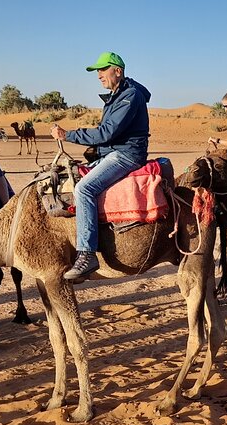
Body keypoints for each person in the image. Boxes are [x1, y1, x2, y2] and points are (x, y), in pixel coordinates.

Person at [51, 51, 151, 280]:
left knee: (84, 188)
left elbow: (106, 132)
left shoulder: (130, 96)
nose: (98, 75)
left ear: (118, 70)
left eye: (102, 70)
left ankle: (87, 254)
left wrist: (68, 135)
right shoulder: (118, 95)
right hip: (113, 153)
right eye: (97, 71)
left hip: (126, 155)